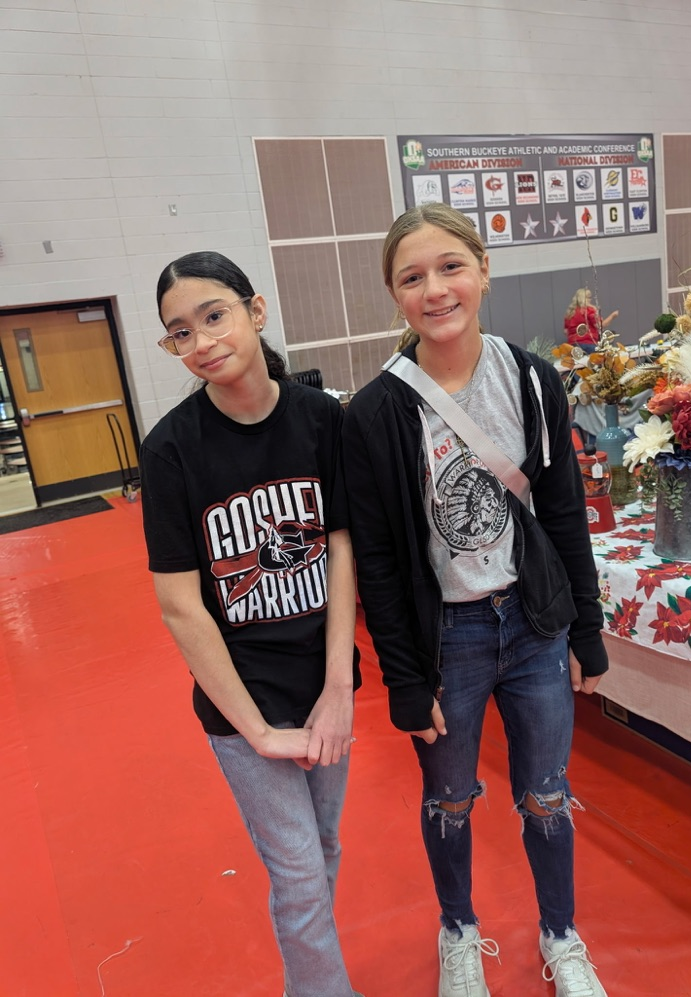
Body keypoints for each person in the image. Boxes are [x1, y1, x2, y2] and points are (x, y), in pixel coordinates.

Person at [342, 204, 609, 997]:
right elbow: (383, 563)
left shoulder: (531, 378)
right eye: (412, 276)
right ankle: (458, 928)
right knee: (450, 797)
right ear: (394, 294)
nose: (436, 288)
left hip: (530, 625)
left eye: (451, 266)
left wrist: (585, 629)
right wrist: (404, 678)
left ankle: (562, 935)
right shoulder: (377, 412)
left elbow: (562, 513)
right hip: (447, 639)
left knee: (547, 793)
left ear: (483, 270)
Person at [140, 251, 364, 997]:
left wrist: (339, 686)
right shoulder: (171, 450)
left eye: (213, 315)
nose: (201, 341)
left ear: (255, 310)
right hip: (244, 701)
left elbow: (339, 547)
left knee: (322, 849)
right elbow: (180, 605)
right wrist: (260, 730)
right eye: (180, 332)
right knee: (298, 871)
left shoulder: (321, 419)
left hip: (321, 680)